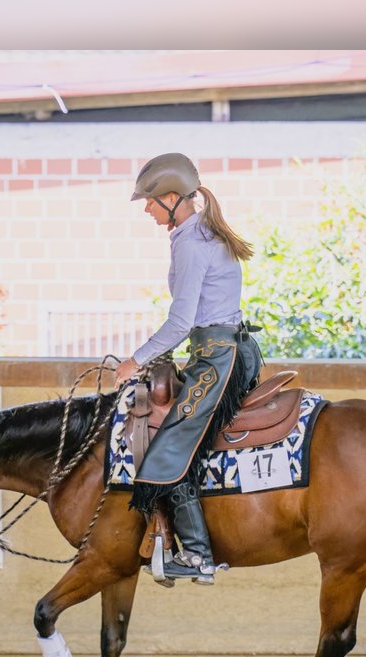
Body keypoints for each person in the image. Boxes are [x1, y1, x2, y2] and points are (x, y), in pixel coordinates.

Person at [113, 152, 262, 586]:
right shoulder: (196, 234)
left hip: (217, 358)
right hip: (218, 351)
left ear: (172, 198)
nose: (146, 208)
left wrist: (135, 360)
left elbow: (180, 323)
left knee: (170, 448)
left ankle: (197, 556)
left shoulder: (193, 243)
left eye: (150, 200)